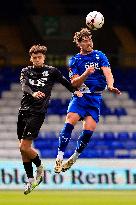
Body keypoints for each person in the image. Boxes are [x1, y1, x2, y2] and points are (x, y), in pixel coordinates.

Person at [54, 28, 121, 173]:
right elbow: (74, 83)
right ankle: (59, 157)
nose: (89, 43)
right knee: (69, 122)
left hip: (95, 98)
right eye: (85, 41)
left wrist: (110, 85)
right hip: (81, 96)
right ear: (79, 44)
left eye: (89, 39)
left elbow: (108, 72)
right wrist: (86, 73)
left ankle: (74, 157)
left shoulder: (100, 55)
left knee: (88, 131)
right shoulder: (75, 60)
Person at [17, 44, 80, 195]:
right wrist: (33, 93)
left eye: (39, 57)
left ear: (44, 58)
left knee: (24, 147)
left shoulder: (52, 71)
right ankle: (31, 179)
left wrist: (75, 91)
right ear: (30, 58)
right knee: (23, 150)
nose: (37, 60)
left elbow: (66, 82)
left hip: (37, 112)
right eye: (34, 58)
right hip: (23, 111)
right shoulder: (26, 71)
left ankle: (40, 167)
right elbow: (24, 86)